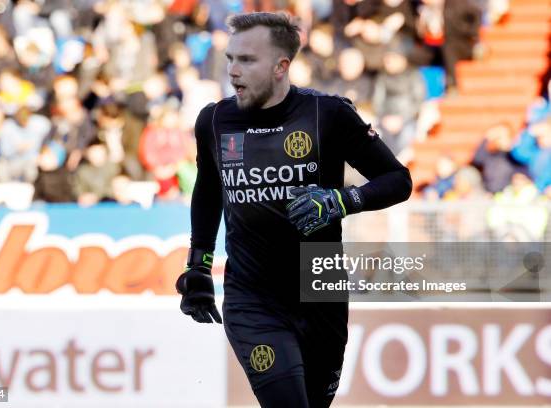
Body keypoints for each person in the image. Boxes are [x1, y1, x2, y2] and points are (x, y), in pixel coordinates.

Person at [175, 12, 412, 408]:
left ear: (281, 66)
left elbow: (397, 179)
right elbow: (209, 188)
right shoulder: (215, 120)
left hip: (319, 284)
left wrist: (342, 201)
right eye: (230, 58)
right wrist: (198, 264)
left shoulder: (328, 113)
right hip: (251, 294)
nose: (233, 70)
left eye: (247, 60)